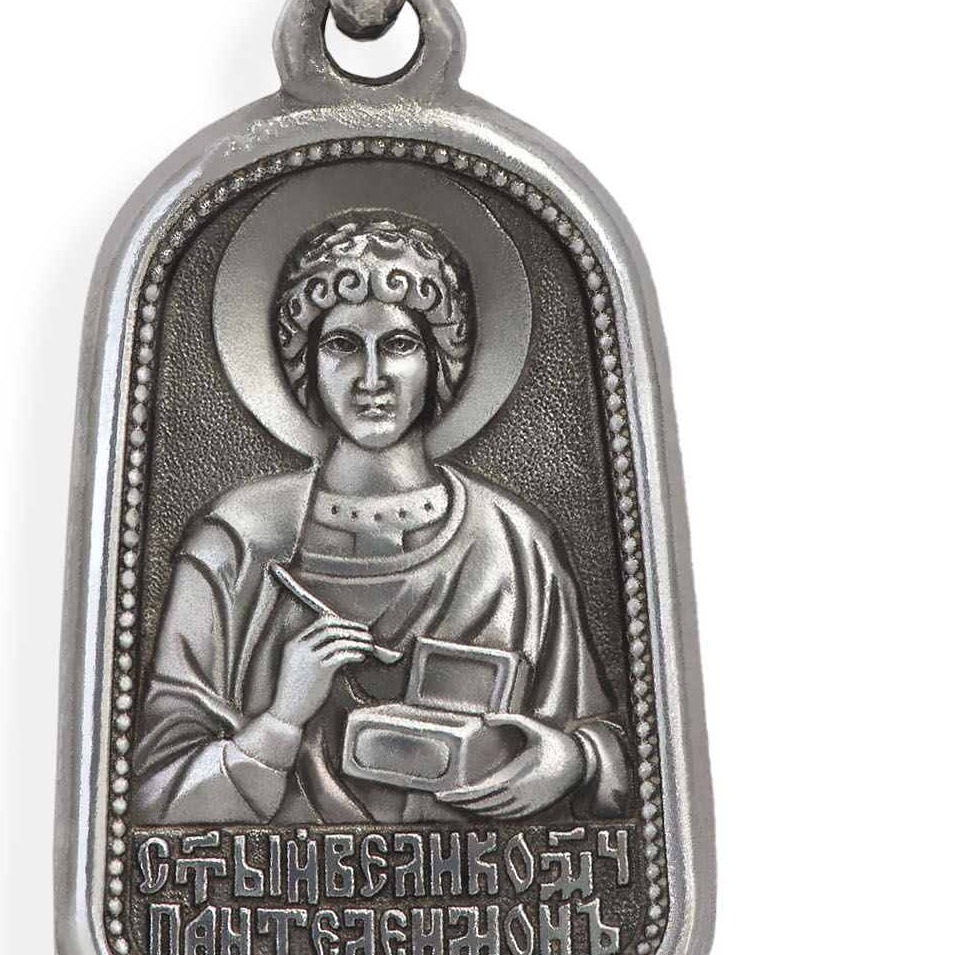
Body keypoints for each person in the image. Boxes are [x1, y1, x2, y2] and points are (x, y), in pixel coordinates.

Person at [131, 214, 628, 825]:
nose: (372, 378)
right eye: (342, 345)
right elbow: (151, 794)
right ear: (306, 363)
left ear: (439, 359)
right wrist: (281, 719)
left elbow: (616, 745)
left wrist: (571, 761)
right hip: (286, 877)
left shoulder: (512, 543)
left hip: (479, 873)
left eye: (398, 344)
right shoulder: (236, 542)